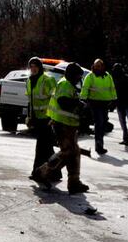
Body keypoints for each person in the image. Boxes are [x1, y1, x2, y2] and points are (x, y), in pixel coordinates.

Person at [36, 61, 88, 193]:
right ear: (72, 75)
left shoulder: (69, 85)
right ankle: (42, 172)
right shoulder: (65, 84)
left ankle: (74, 182)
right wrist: (79, 103)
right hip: (62, 124)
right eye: (78, 76)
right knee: (67, 152)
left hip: (69, 125)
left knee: (74, 153)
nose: (79, 79)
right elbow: (63, 102)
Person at [24, 58, 57, 184]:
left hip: (47, 118)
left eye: (35, 66)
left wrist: (53, 117)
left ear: (40, 67)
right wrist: (29, 117)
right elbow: (30, 101)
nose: (33, 69)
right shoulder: (29, 80)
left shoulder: (47, 80)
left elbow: (54, 98)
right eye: (31, 66)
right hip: (37, 118)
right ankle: (55, 172)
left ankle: (36, 172)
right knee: (47, 147)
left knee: (41, 146)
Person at [81, 58, 118, 154]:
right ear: (93, 66)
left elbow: (112, 88)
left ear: (103, 67)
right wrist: (84, 101)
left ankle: (99, 143)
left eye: (100, 66)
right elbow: (85, 89)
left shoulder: (107, 76)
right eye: (96, 66)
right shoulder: (90, 76)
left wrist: (114, 100)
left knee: (103, 123)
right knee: (99, 123)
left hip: (105, 104)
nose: (98, 67)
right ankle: (99, 146)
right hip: (94, 103)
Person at [111, 62, 128, 147]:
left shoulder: (126, 78)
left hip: (127, 103)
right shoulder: (117, 79)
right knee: (125, 123)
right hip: (122, 104)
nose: (115, 71)